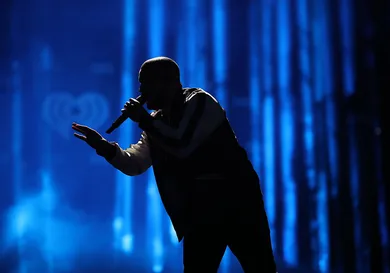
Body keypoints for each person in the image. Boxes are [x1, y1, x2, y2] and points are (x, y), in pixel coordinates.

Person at [72, 56, 277, 272]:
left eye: (146, 83)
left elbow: (182, 143)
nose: (141, 89)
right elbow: (136, 163)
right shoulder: (156, 121)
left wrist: (145, 120)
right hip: (201, 209)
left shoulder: (200, 102)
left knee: (260, 267)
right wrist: (103, 147)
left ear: (168, 82)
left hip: (236, 201)